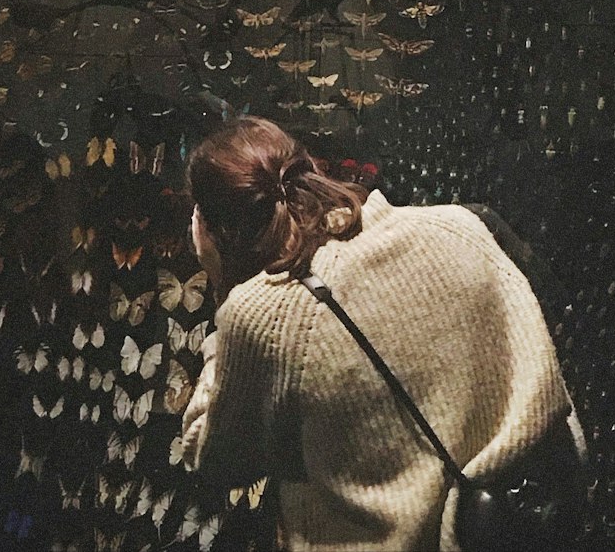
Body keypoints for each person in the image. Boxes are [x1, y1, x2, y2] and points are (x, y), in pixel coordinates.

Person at [182, 117, 587, 551]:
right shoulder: (457, 225)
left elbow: (212, 457)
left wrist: (223, 288)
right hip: (530, 521)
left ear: (215, 227)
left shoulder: (266, 314)